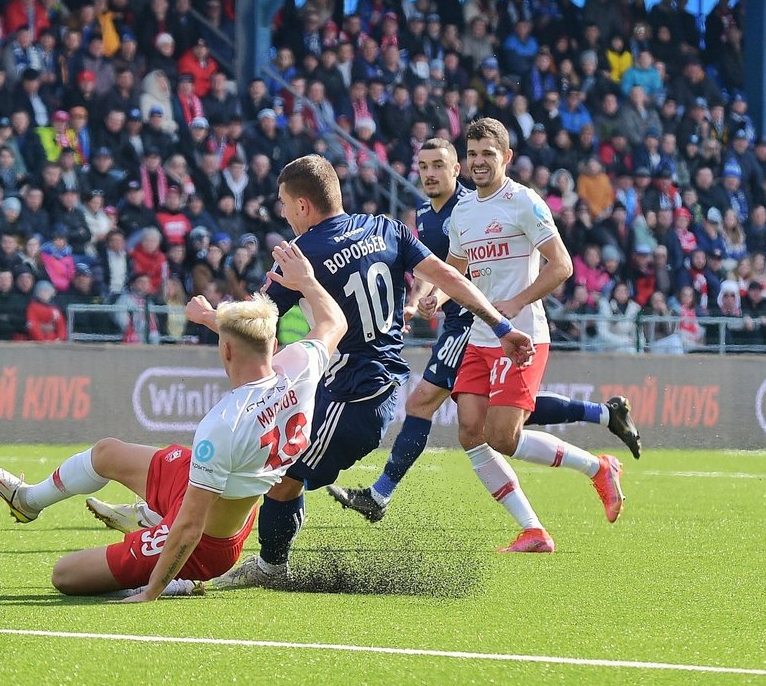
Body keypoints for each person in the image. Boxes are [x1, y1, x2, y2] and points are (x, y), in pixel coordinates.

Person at [95, 155, 536, 586]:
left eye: (285, 204)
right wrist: (500, 325)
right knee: (263, 460)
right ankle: (173, 521)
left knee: (278, 476)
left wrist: (208, 315)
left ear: (303, 205)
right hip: (354, 386)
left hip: (356, 396)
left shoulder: (302, 255)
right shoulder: (385, 228)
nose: (284, 214)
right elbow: (447, 276)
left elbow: (256, 321)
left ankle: (262, 566)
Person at [0, 239, 347, 599]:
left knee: (65, 576)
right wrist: (305, 283)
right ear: (275, 344)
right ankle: (28, 501)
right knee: (107, 453)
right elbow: (334, 322)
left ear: (227, 350)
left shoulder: (224, 423)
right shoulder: (301, 365)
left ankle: (176, 577)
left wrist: (151, 591)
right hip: (220, 497)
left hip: (206, 541)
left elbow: (188, 528)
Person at [328, 140, 641, 524]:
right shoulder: (426, 213)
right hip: (467, 324)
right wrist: (418, 302)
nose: (429, 173)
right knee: (486, 423)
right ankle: (599, 423)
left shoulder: (470, 205)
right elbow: (440, 269)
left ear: (456, 169)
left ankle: (380, 493)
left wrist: (454, 302)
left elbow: (519, 268)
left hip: (474, 323)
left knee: (425, 405)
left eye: (438, 165)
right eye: (423, 166)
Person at [443, 118, 626, 553]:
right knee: (470, 430)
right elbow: (454, 272)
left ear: (506, 157)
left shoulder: (524, 202)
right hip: (480, 337)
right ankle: (532, 530)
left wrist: (517, 302)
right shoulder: (462, 212)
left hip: (522, 335)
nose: (479, 162)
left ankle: (597, 467)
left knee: (503, 436)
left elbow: (561, 265)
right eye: (473, 155)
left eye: (488, 154)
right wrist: (429, 296)